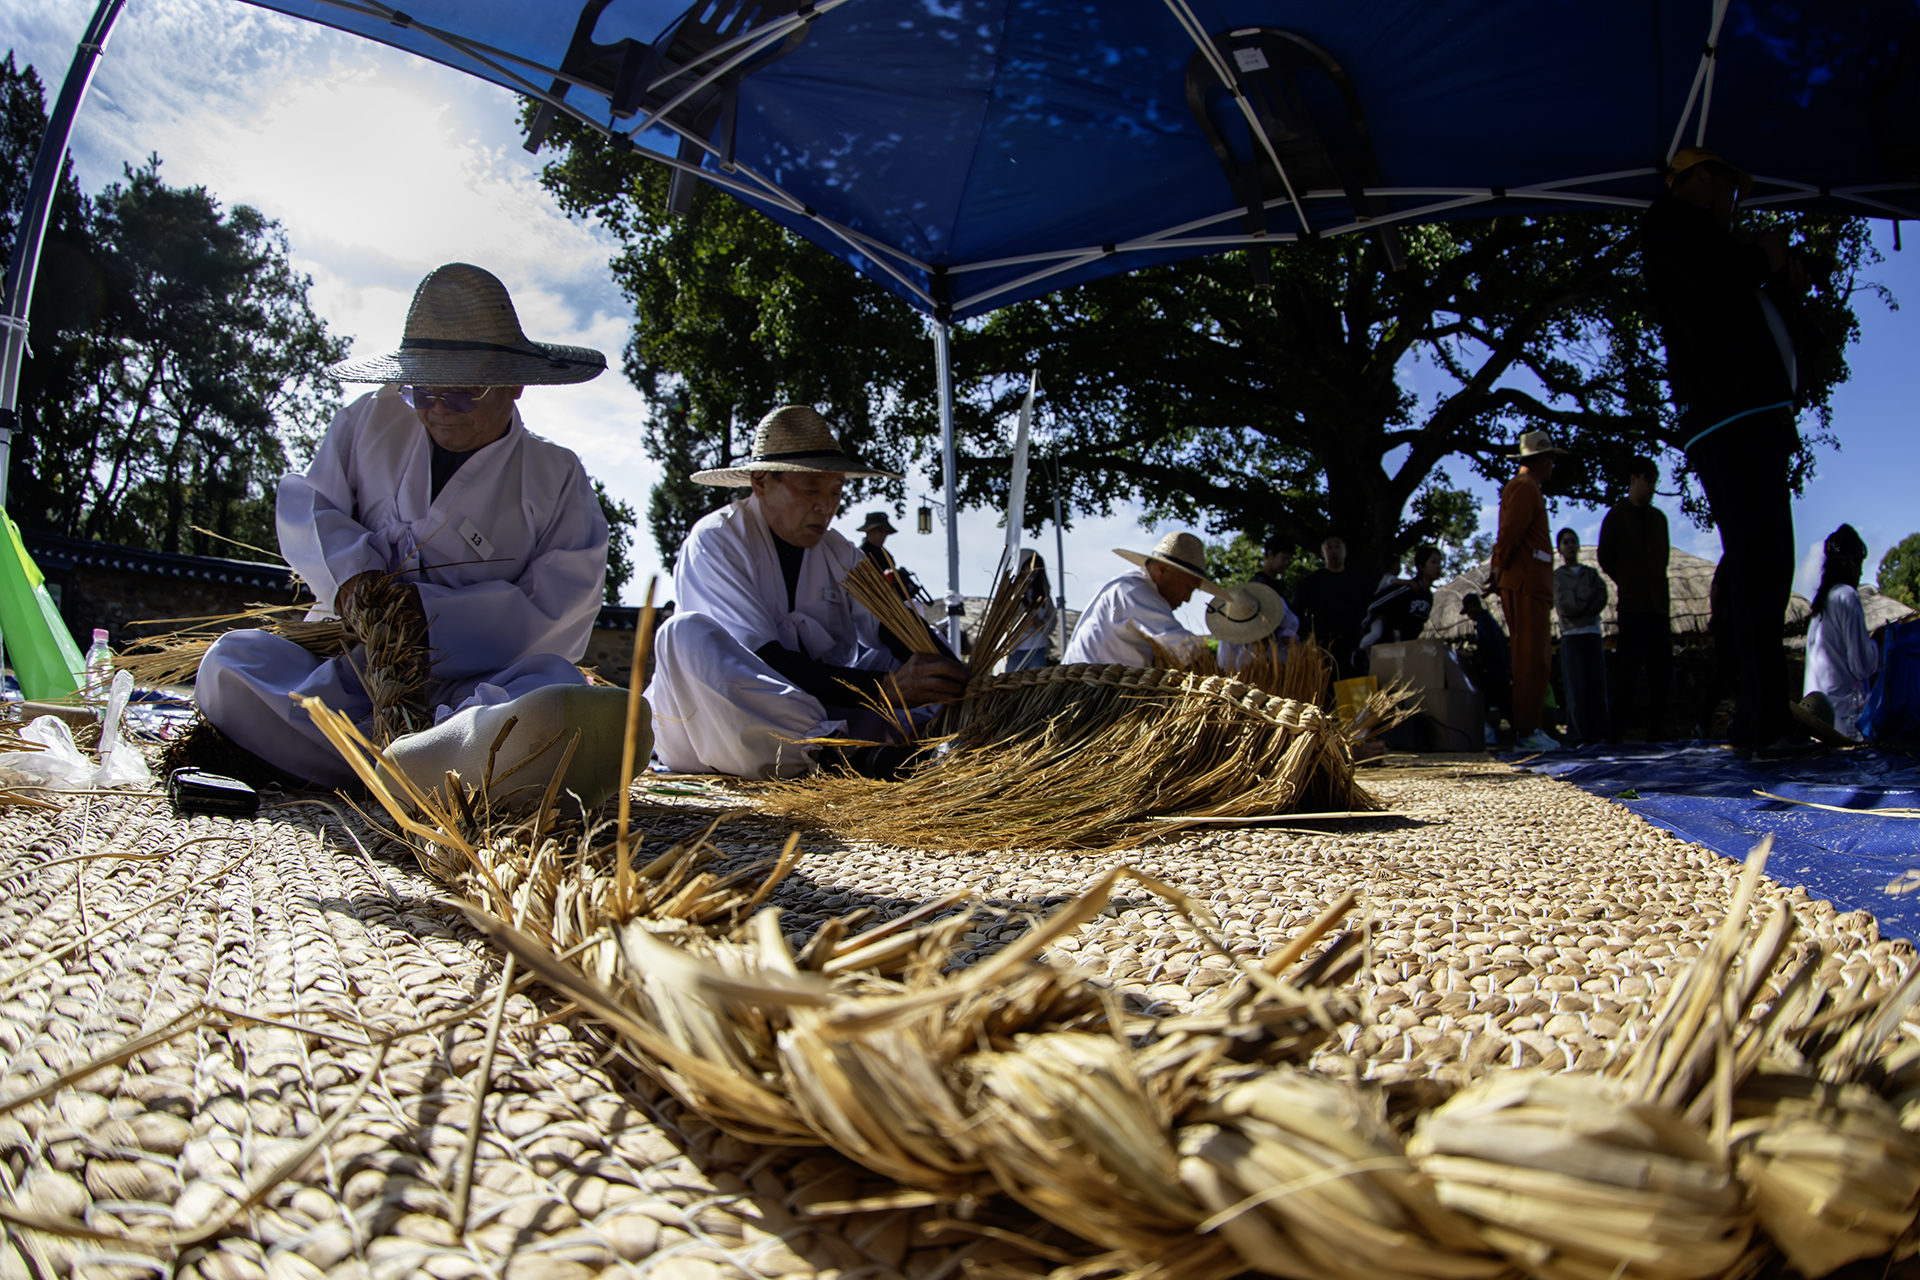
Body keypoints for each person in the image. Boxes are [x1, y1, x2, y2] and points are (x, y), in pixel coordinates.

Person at [195, 263, 629, 801]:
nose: (439, 408)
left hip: (474, 691)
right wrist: (356, 579)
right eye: (422, 391)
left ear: (516, 383)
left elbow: (563, 610)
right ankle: (440, 770)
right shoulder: (369, 419)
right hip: (353, 671)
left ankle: (433, 753)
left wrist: (430, 620)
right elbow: (310, 506)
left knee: (551, 685)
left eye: (463, 392)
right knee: (229, 665)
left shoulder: (555, 474)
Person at [646, 406, 967, 778]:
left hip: (824, 715)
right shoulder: (717, 540)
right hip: (720, 728)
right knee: (682, 633)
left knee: (910, 658)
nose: (825, 506)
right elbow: (764, 661)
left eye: (835, 491)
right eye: (811, 489)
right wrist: (884, 690)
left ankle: (943, 738)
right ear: (761, 482)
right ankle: (833, 759)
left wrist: (957, 679)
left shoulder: (840, 553)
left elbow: (895, 627)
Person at [1643, 145, 1816, 754]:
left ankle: (1759, 716)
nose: (1736, 203)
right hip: (1730, 415)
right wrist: (1761, 256)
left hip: (1750, 415)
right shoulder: (1671, 225)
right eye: (1731, 189)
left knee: (1763, 561)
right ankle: (1762, 719)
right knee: (1758, 562)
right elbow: (1712, 280)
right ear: (1705, 180)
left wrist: (1779, 277)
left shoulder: (1713, 246)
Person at [1491, 431, 1567, 753]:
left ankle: (1531, 726)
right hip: (1523, 583)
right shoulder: (1523, 486)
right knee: (1529, 658)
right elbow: (1510, 532)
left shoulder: (1529, 487)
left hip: (1532, 584)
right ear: (1541, 460)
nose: (1553, 465)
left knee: (1537, 659)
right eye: (1551, 458)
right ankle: (1526, 730)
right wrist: (1498, 566)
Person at [1063, 532, 1218, 667]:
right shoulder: (1135, 591)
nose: (1187, 598)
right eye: (1188, 587)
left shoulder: (1131, 586)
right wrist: (1219, 652)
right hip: (1088, 686)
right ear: (1162, 570)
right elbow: (1185, 648)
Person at [1598, 455, 1671, 739]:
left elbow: (1663, 558)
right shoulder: (1616, 516)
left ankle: (1659, 728)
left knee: (1661, 670)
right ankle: (1617, 730)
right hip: (1632, 605)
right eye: (1647, 480)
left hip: (1659, 606)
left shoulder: (1659, 519)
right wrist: (1627, 580)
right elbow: (1606, 557)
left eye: (1654, 482)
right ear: (1633, 479)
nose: (1651, 487)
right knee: (1627, 668)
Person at [1803, 524, 1879, 739]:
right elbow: (1861, 666)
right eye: (1860, 564)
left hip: (1820, 721)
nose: (1861, 572)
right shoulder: (1847, 596)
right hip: (1844, 723)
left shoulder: (1823, 603)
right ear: (1851, 562)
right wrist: (1878, 643)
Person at [1553, 528, 1610, 747]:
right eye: (1566, 542)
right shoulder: (1558, 576)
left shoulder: (1590, 573)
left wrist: (1580, 600)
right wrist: (1586, 595)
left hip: (1593, 634)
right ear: (1560, 548)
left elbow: (1602, 596)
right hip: (1572, 637)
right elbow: (1565, 605)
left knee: (1597, 687)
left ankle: (1600, 734)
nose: (1570, 545)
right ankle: (1578, 737)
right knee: (1576, 689)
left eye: (1573, 541)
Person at [1291, 535, 1374, 673]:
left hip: (1354, 646)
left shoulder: (1362, 583)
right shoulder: (1310, 582)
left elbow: (1373, 609)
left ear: (1345, 551)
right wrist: (1308, 636)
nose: (1334, 550)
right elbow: (1296, 610)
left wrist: (1365, 634)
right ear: (1322, 552)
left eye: (1338, 546)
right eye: (1329, 547)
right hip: (1322, 647)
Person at [1357, 544, 1444, 662]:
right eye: (1433, 562)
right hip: (1384, 652)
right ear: (1421, 566)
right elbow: (1374, 605)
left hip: (1406, 653)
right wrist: (1365, 627)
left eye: (1439, 563)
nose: (1438, 567)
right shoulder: (1405, 590)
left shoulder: (1428, 597)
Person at [1461, 592, 1512, 741]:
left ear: (1473, 607)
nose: (1469, 615)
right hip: (1495, 673)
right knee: (1502, 705)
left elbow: (1496, 645)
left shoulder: (1486, 622)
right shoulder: (1485, 621)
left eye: (1468, 611)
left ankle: (1522, 734)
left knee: (1495, 705)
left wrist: (1504, 665)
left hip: (1493, 674)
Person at [1003, 548, 1057, 671]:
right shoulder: (1011, 594)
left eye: (1037, 566)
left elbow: (1052, 617)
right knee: (1012, 680)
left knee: (1036, 680)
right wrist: (1022, 622)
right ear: (1021, 566)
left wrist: (1041, 624)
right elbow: (1004, 620)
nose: (1034, 570)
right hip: (1015, 648)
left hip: (1037, 648)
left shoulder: (1043, 593)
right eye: (1030, 566)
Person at [856, 511, 912, 599]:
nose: (883, 535)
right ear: (869, 530)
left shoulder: (887, 556)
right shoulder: (860, 554)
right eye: (880, 530)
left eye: (886, 532)